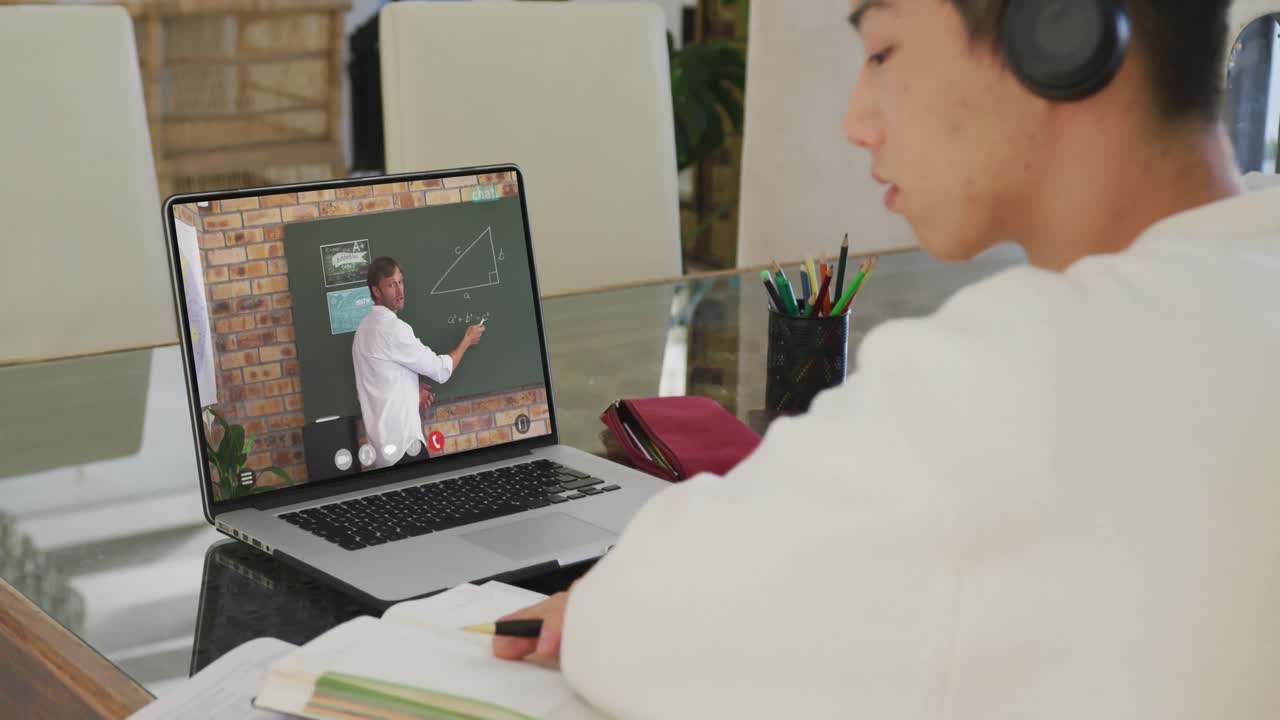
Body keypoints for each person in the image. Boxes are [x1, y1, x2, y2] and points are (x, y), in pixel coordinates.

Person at [489, 1, 1280, 717]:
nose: (856, 122)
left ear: (1057, 31)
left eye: (884, 51)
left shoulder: (1012, 376)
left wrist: (596, 614)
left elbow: (651, 618)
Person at [353, 256, 484, 468]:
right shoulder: (394, 329)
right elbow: (441, 370)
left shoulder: (362, 331)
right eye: (390, 285)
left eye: (400, 282)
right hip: (405, 449)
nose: (399, 291)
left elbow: (380, 383)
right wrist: (467, 340)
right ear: (376, 291)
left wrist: (411, 389)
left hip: (381, 453)